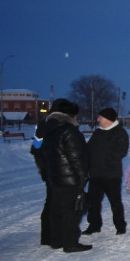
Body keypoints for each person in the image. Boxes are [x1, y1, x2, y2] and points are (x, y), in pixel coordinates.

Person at [41, 100, 93, 252]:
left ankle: (56, 240)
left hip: (55, 177)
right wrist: (82, 178)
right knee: (71, 211)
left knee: (57, 210)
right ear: (71, 115)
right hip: (70, 179)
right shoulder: (69, 131)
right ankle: (70, 242)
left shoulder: (50, 130)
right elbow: (77, 158)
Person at [30, 98, 72, 248]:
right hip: (58, 169)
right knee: (57, 203)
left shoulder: (43, 124)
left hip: (48, 168)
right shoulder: (62, 125)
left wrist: (43, 168)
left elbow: (35, 147)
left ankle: (46, 236)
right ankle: (55, 236)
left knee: (51, 201)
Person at [84, 108, 129, 235]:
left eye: (100, 117)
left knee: (115, 202)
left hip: (111, 175)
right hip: (95, 175)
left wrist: (105, 160)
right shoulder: (97, 133)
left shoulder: (120, 132)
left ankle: (120, 226)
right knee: (93, 202)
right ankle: (94, 225)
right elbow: (88, 149)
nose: (98, 119)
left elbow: (121, 151)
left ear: (108, 119)